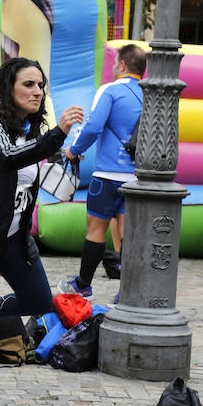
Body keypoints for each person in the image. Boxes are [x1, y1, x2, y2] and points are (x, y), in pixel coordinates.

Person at [0, 58, 82, 406]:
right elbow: (10, 160)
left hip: (14, 237)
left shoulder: (31, 128)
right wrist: (57, 135)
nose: (38, 92)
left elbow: (26, 185)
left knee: (39, 299)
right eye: (29, 84)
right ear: (7, 89)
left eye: (41, 85)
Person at [59, 43, 146, 301]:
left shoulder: (110, 90)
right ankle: (126, 292)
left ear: (122, 65)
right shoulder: (151, 94)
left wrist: (73, 150)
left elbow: (93, 128)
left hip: (108, 175)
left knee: (95, 230)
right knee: (128, 234)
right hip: (139, 178)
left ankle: (83, 285)